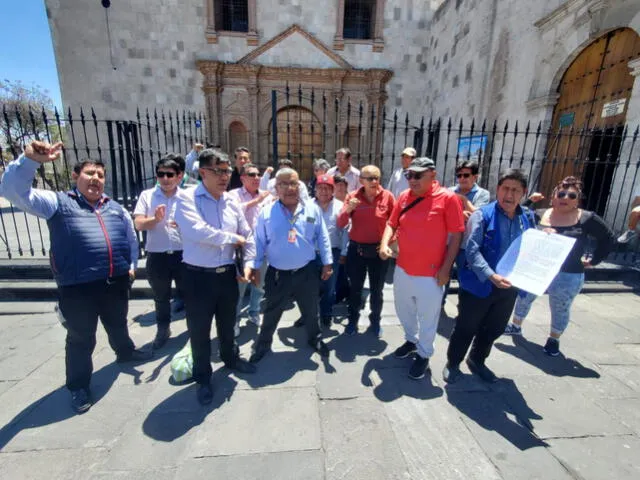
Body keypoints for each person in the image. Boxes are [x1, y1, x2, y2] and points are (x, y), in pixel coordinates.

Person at [0, 141, 151, 414]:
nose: (95, 179)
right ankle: (78, 386)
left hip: (115, 282)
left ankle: (125, 352)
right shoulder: (57, 203)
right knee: (82, 338)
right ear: (75, 176)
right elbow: (12, 191)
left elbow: (130, 238)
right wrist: (29, 161)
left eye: (100, 175)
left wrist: (130, 265)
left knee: (118, 323)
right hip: (77, 287)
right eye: (89, 173)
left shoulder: (115, 208)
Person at [174, 148, 257, 406]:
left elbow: (248, 233)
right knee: (199, 331)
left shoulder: (231, 201)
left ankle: (230, 358)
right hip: (197, 277)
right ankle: (203, 379)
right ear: (202, 172)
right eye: (218, 171)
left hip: (226, 276)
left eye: (227, 170)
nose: (225, 176)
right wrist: (234, 239)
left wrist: (249, 264)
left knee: (228, 322)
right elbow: (199, 232)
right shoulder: (186, 198)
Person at [504, 176, 614, 356]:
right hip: (537, 269)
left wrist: (594, 260)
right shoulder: (540, 214)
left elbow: (608, 238)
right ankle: (515, 325)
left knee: (560, 306)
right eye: (561, 193)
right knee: (524, 297)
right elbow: (519, 215)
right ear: (553, 196)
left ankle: (554, 338)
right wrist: (531, 201)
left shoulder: (587, 218)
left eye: (572, 195)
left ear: (578, 200)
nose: (565, 198)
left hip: (568, 273)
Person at [444, 169, 535, 384]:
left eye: (515, 190)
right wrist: (491, 275)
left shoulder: (527, 218)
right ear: (497, 189)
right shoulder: (482, 215)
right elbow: (471, 251)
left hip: (509, 286)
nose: (509, 195)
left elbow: (532, 246)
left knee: (495, 327)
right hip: (479, 284)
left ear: (523, 193)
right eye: (505, 189)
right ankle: (453, 363)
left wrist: (546, 236)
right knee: (467, 326)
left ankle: (477, 360)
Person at [380, 157, 465, 379]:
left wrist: (447, 269)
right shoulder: (404, 196)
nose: (412, 180)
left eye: (418, 175)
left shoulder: (448, 199)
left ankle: (424, 354)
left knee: (428, 318)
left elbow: (456, 235)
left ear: (432, 175)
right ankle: (411, 340)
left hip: (431, 273)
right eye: (409, 175)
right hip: (403, 268)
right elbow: (391, 223)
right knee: (403, 310)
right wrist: (383, 244)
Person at [248, 168, 333, 363]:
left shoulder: (312, 209)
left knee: (311, 309)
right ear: (276, 187)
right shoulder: (267, 212)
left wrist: (327, 262)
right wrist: (254, 267)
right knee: (271, 311)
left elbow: (323, 237)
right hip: (278, 274)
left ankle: (315, 338)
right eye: (283, 184)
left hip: (307, 271)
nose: (289, 188)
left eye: (293, 183)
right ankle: (263, 344)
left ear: (300, 186)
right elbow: (259, 242)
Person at [133, 155, 187, 349]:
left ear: (179, 176)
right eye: (161, 174)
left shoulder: (187, 197)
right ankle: (163, 330)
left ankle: (193, 331)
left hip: (183, 255)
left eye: (169, 174)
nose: (165, 178)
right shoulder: (147, 196)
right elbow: (138, 223)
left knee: (190, 294)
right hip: (158, 256)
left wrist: (184, 226)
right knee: (161, 297)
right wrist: (155, 219)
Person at [337, 165, 395, 337]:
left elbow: (396, 224)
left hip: (379, 251)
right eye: (370, 178)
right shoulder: (352, 197)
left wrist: (389, 245)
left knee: (377, 290)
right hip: (357, 250)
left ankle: (375, 321)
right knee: (355, 288)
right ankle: (352, 321)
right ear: (361, 180)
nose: (374, 182)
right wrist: (348, 209)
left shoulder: (388, 197)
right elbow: (340, 223)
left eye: (377, 178)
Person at [228, 163, 271, 334]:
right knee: (240, 287)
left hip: (262, 248)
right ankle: (235, 319)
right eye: (252, 175)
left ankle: (254, 312)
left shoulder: (266, 196)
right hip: (242, 248)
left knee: (259, 285)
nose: (256, 178)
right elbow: (234, 213)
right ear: (242, 178)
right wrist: (256, 201)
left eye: (258, 174)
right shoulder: (233, 195)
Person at [314, 174, 348, 326]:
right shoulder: (307, 206)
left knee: (329, 286)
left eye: (327, 188)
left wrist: (343, 253)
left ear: (333, 190)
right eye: (320, 188)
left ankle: (326, 313)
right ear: (315, 190)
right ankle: (309, 314)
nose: (324, 191)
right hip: (311, 254)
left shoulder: (341, 207)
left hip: (333, 252)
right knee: (310, 286)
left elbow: (347, 231)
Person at [333, 174, 350, 303]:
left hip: (348, 244)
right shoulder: (329, 202)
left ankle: (344, 292)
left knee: (344, 272)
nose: (339, 187)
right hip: (334, 244)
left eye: (342, 185)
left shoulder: (350, 203)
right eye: (337, 185)